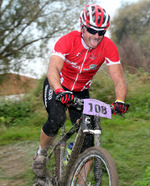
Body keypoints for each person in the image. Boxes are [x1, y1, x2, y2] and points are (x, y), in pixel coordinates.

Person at [32, 4, 129, 185]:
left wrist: (120, 100)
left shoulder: (107, 46)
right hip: (58, 85)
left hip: (81, 90)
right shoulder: (67, 41)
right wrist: (59, 90)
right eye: (92, 30)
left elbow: (118, 78)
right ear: (82, 27)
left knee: (89, 136)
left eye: (102, 31)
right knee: (56, 119)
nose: (97, 36)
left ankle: (79, 178)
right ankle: (41, 152)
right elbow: (53, 68)